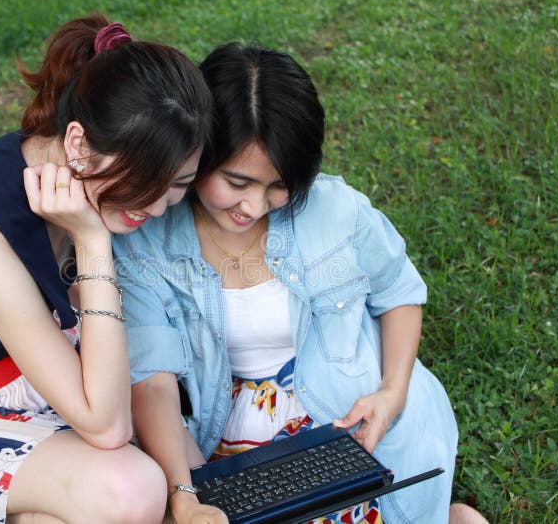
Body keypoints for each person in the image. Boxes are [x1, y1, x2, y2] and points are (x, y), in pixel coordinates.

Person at [113, 44, 487, 523]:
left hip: (351, 417)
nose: (254, 206)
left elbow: (399, 293)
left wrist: (393, 391)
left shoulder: (337, 209)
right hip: (238, 440)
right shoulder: (149, 243)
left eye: (278, 186)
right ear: (199, 151)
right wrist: (186, 492)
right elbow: (153, 381)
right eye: (237, 181)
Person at [0, 13, 212, 523]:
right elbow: (105, 425)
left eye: (180, 184)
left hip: (54, 379)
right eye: (148, 181)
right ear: (78, 143)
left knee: (186, 475)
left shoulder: (90, 181)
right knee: (134, 490)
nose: (160, 206)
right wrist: (93, 242)